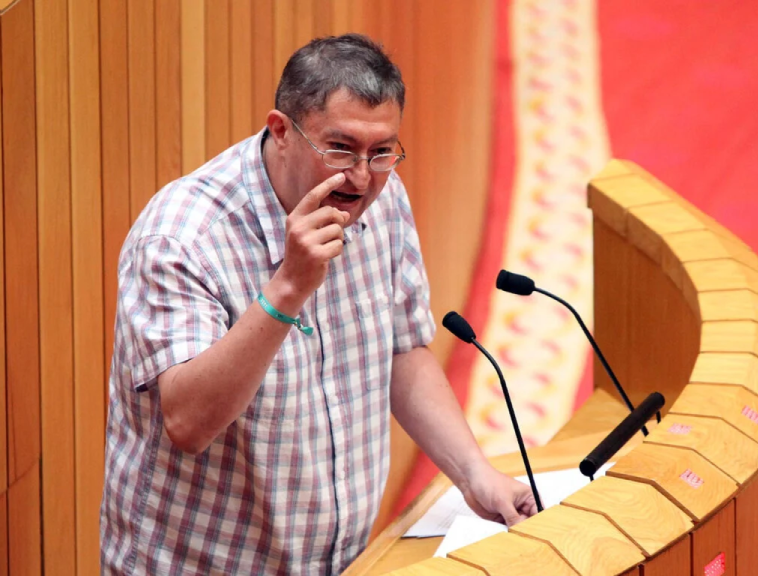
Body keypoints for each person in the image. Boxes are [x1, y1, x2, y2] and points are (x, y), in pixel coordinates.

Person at [100, 33, 536, 575]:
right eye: (341, 148)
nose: (361, 176)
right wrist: (288, 287)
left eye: (381, 151)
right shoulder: (182, 237)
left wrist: (474, 472)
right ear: (281, 130)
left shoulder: (382, 195)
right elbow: (187, 423)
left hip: (343, 561)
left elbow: (402, 352)